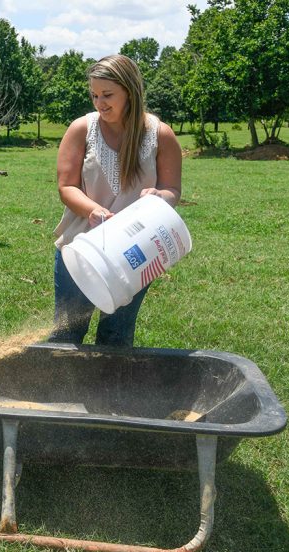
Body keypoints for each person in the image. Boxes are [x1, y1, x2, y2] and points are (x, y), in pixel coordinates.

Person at [49, 54, 182, 346]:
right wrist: (94, 211)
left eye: (108, 95)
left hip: (134, 253)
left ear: (130, 92)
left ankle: (108, 391)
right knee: (66, 334)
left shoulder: (160, 135)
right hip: (81, 245)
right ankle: (56, 390)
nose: (100, 103)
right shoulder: (82, 129)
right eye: (94, 95)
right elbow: (66, 186)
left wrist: (160, 197)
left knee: (117, 335)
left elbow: (172, 189)